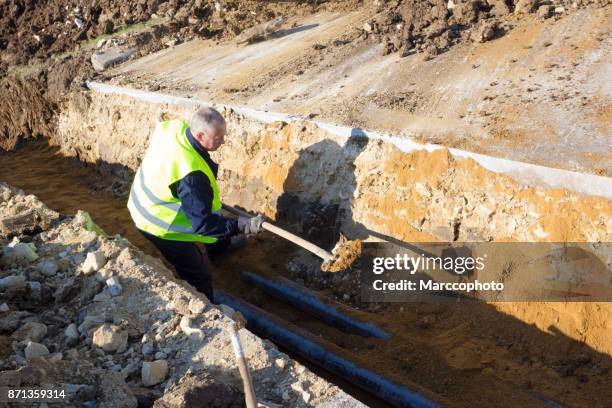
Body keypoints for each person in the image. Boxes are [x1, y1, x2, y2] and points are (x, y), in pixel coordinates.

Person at [127, 107, 263, 302]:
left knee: (211, 214)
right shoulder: (192, 176)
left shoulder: (174, 129)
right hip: (157, 223)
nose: (223, 142)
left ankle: (219, 251)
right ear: (200, 135)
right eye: (218, 138)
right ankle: (207, 310)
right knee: (197, 273)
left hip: (144, 196)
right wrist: (241, 225)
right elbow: (204, 225)